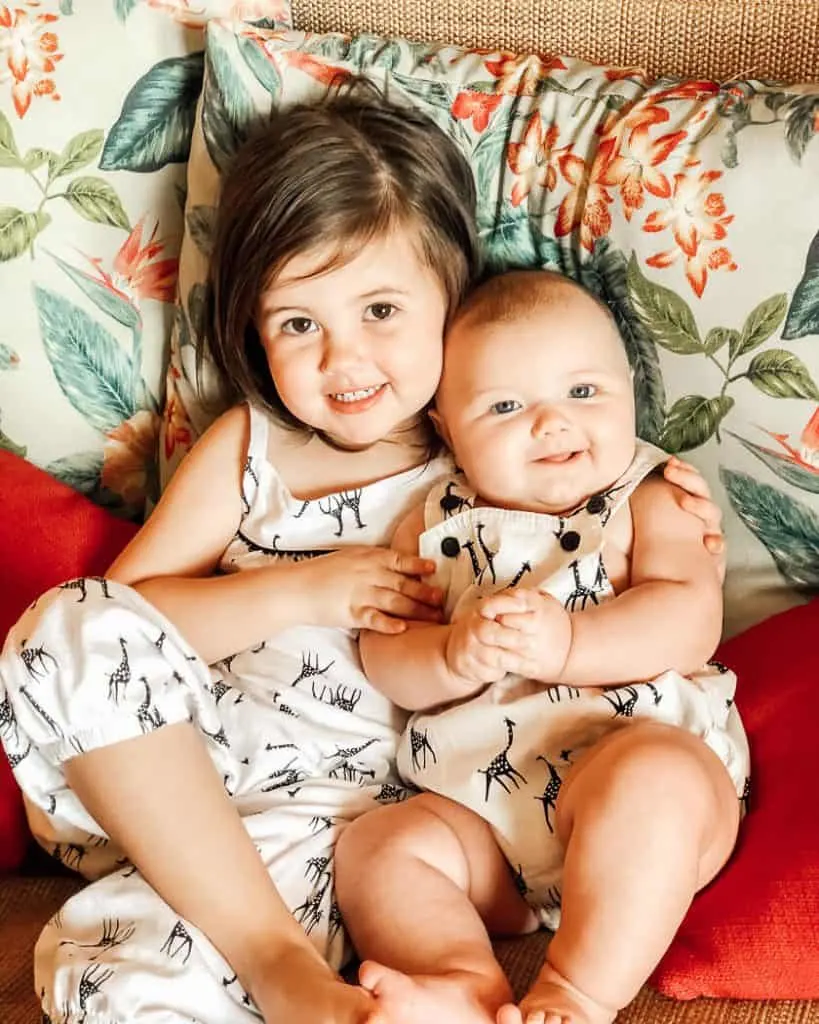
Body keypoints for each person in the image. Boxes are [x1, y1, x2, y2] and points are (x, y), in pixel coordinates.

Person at [0, 88, 724, 1024]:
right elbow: (123, 620)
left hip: (343, 827)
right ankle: (280, 971)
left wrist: (649, 491)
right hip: (184, 783)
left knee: (111, 987)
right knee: (66, 622)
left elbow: (610, 502)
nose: (346, 361)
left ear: (451, 294)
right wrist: (304, 591)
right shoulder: (252, 449)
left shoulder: (495, 452)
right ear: (254, 330)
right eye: (299, 323)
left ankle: (350, 997)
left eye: (380, 308)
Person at [335, 269, 750, 1024]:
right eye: (504, 406)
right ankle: (461, 979)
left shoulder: (648, 495)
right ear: (446, 427)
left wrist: (568, 643)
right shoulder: (431, 522)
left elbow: (690, 616)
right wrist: (450, 655)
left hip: (629, 767)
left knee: (654, 782)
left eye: (583, 393)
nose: (552, 424)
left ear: (629, 386)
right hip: (484, 811)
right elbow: (385, 654)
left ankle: (575, 993)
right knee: (378, 844)